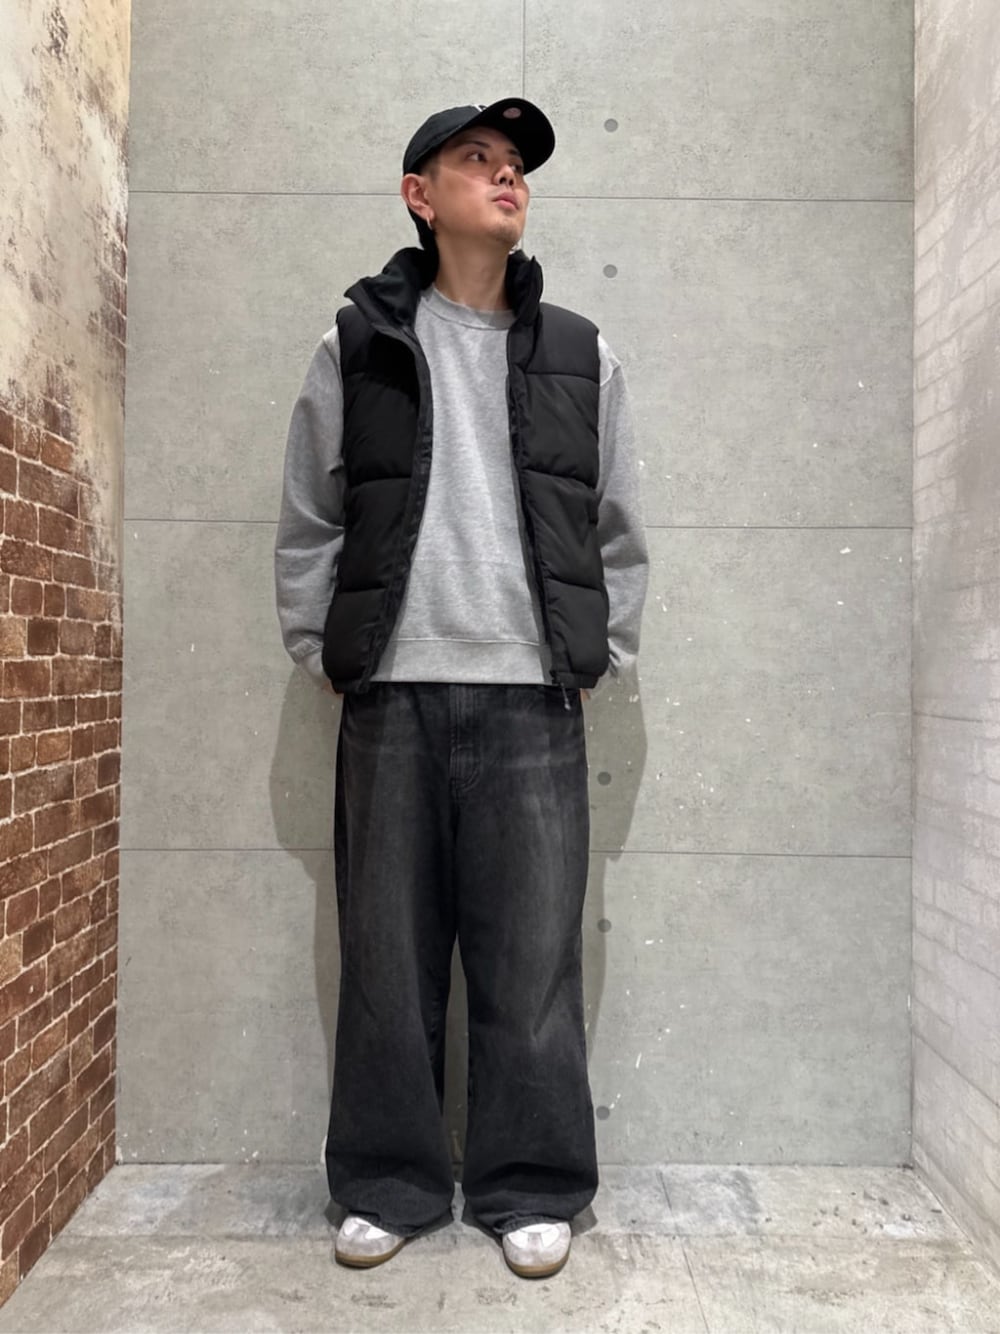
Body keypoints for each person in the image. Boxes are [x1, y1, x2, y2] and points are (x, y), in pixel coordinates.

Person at [274, 97, 648, 1280]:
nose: (506, 176)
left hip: (533, 699)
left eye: (516, 162)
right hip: (392, 694)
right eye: (475, 159)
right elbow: (311, 510)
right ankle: (387, 1180)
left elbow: (617, 525)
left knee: (531, 963)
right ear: (418, 195)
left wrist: (598, 651)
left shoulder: (580, 351)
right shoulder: (358, 344)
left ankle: (529, 1182)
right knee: (386, 962)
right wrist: (320, 646)